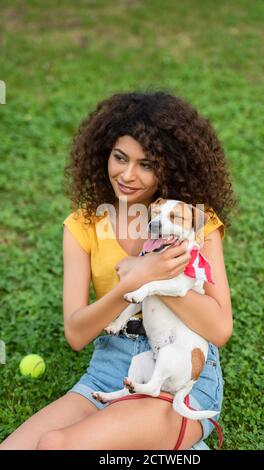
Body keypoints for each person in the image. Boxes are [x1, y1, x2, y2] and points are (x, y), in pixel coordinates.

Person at [0, 90, 237, 450]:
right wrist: (137, 278)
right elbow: (77, 333)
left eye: (146, 164)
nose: (127, 175)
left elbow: (219, 329)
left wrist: (157, 275)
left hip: (181, 374)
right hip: (109, 367)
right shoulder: (82, 225)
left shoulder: (190, 223)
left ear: (169, 166)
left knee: (56, 445)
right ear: (104, 154)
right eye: (120, 157)